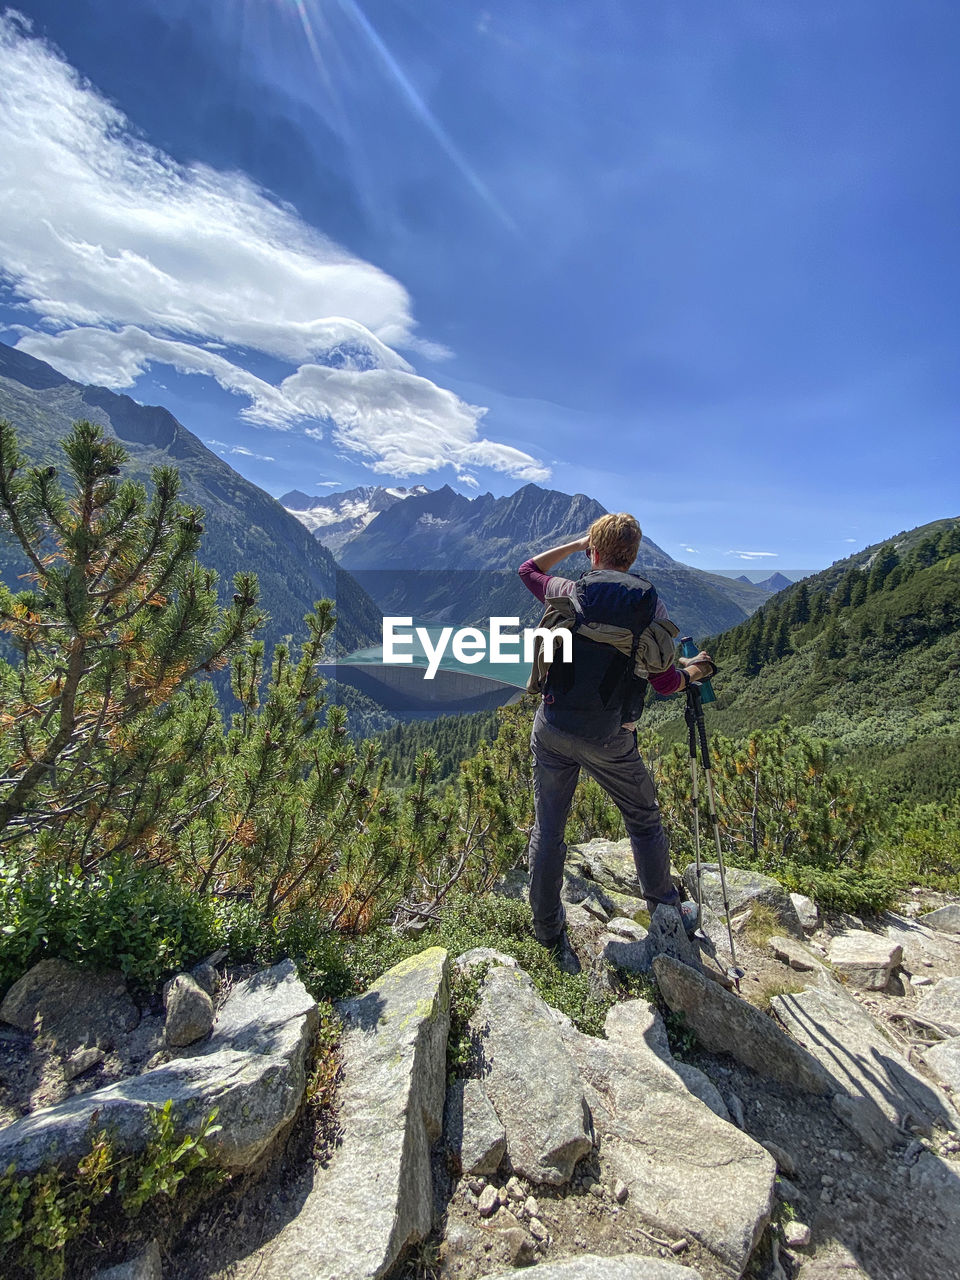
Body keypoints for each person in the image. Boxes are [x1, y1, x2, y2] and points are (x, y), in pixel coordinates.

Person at [517, 512, 714, 971]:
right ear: (634, 556)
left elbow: (528, 570)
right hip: (610, 737)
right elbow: (665, 683)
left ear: (594, 551)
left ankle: (547, 932)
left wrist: (575, 544)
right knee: (643, 819)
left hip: (553, 727)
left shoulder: (570, 591)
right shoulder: (651, 609)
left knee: (549, 832)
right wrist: (695, 671)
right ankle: (665, 910)